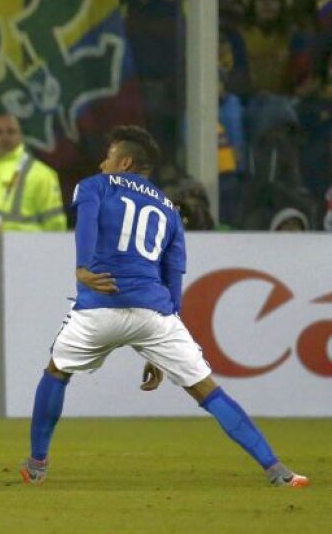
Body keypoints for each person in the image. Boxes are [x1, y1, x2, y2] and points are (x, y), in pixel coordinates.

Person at [19, 125, 309, 488]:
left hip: (98, 308)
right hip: (154, 313)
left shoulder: (95, 186)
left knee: (57, 372)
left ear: (123, 162)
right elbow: (173, 280)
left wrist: (83, 268)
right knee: (207, 390)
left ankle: (36, 464)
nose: (102, 161)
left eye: (108, 156)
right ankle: (277, 469)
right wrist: (158, 349)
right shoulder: (170, 210)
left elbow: (87, 224)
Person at [0, 114, 66, 232]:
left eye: (11, 132)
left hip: (27, 248)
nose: (4, 137)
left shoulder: (42, 174)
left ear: (20, 136)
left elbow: (55, 223)